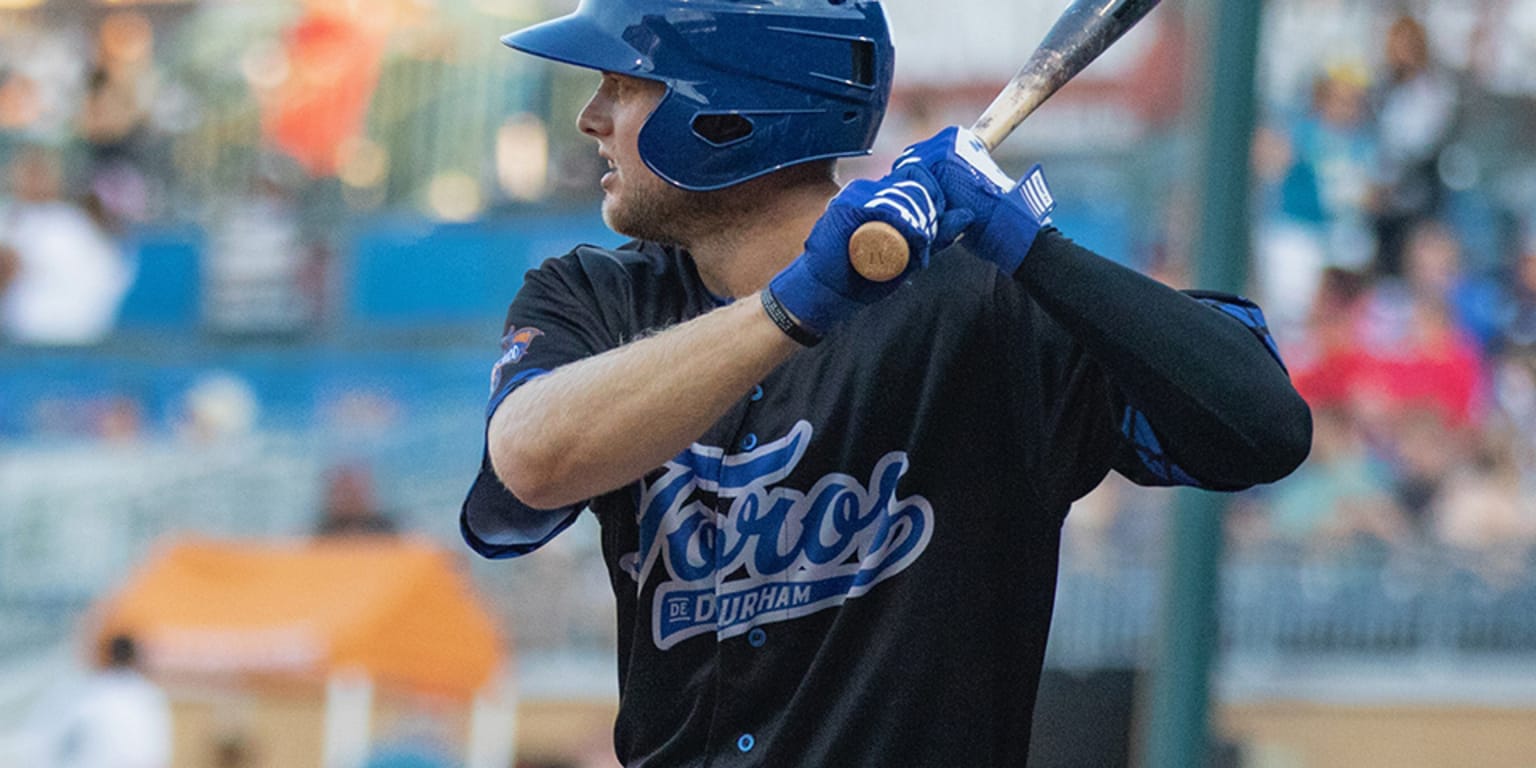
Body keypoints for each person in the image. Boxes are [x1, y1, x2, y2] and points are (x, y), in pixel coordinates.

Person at [459, 2, 1312, 765]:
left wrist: (1030, 246)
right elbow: (532, 459)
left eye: (623, 84)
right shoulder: (594, 295)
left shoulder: (985, 305)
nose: (590, 118)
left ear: (724, 113)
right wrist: (796, 305)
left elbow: (1263, 427)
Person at [42, 634, 173, 768]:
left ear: (107, 655)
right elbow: (156, 749)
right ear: (136, 658)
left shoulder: (91, 693)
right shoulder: (149, 695)